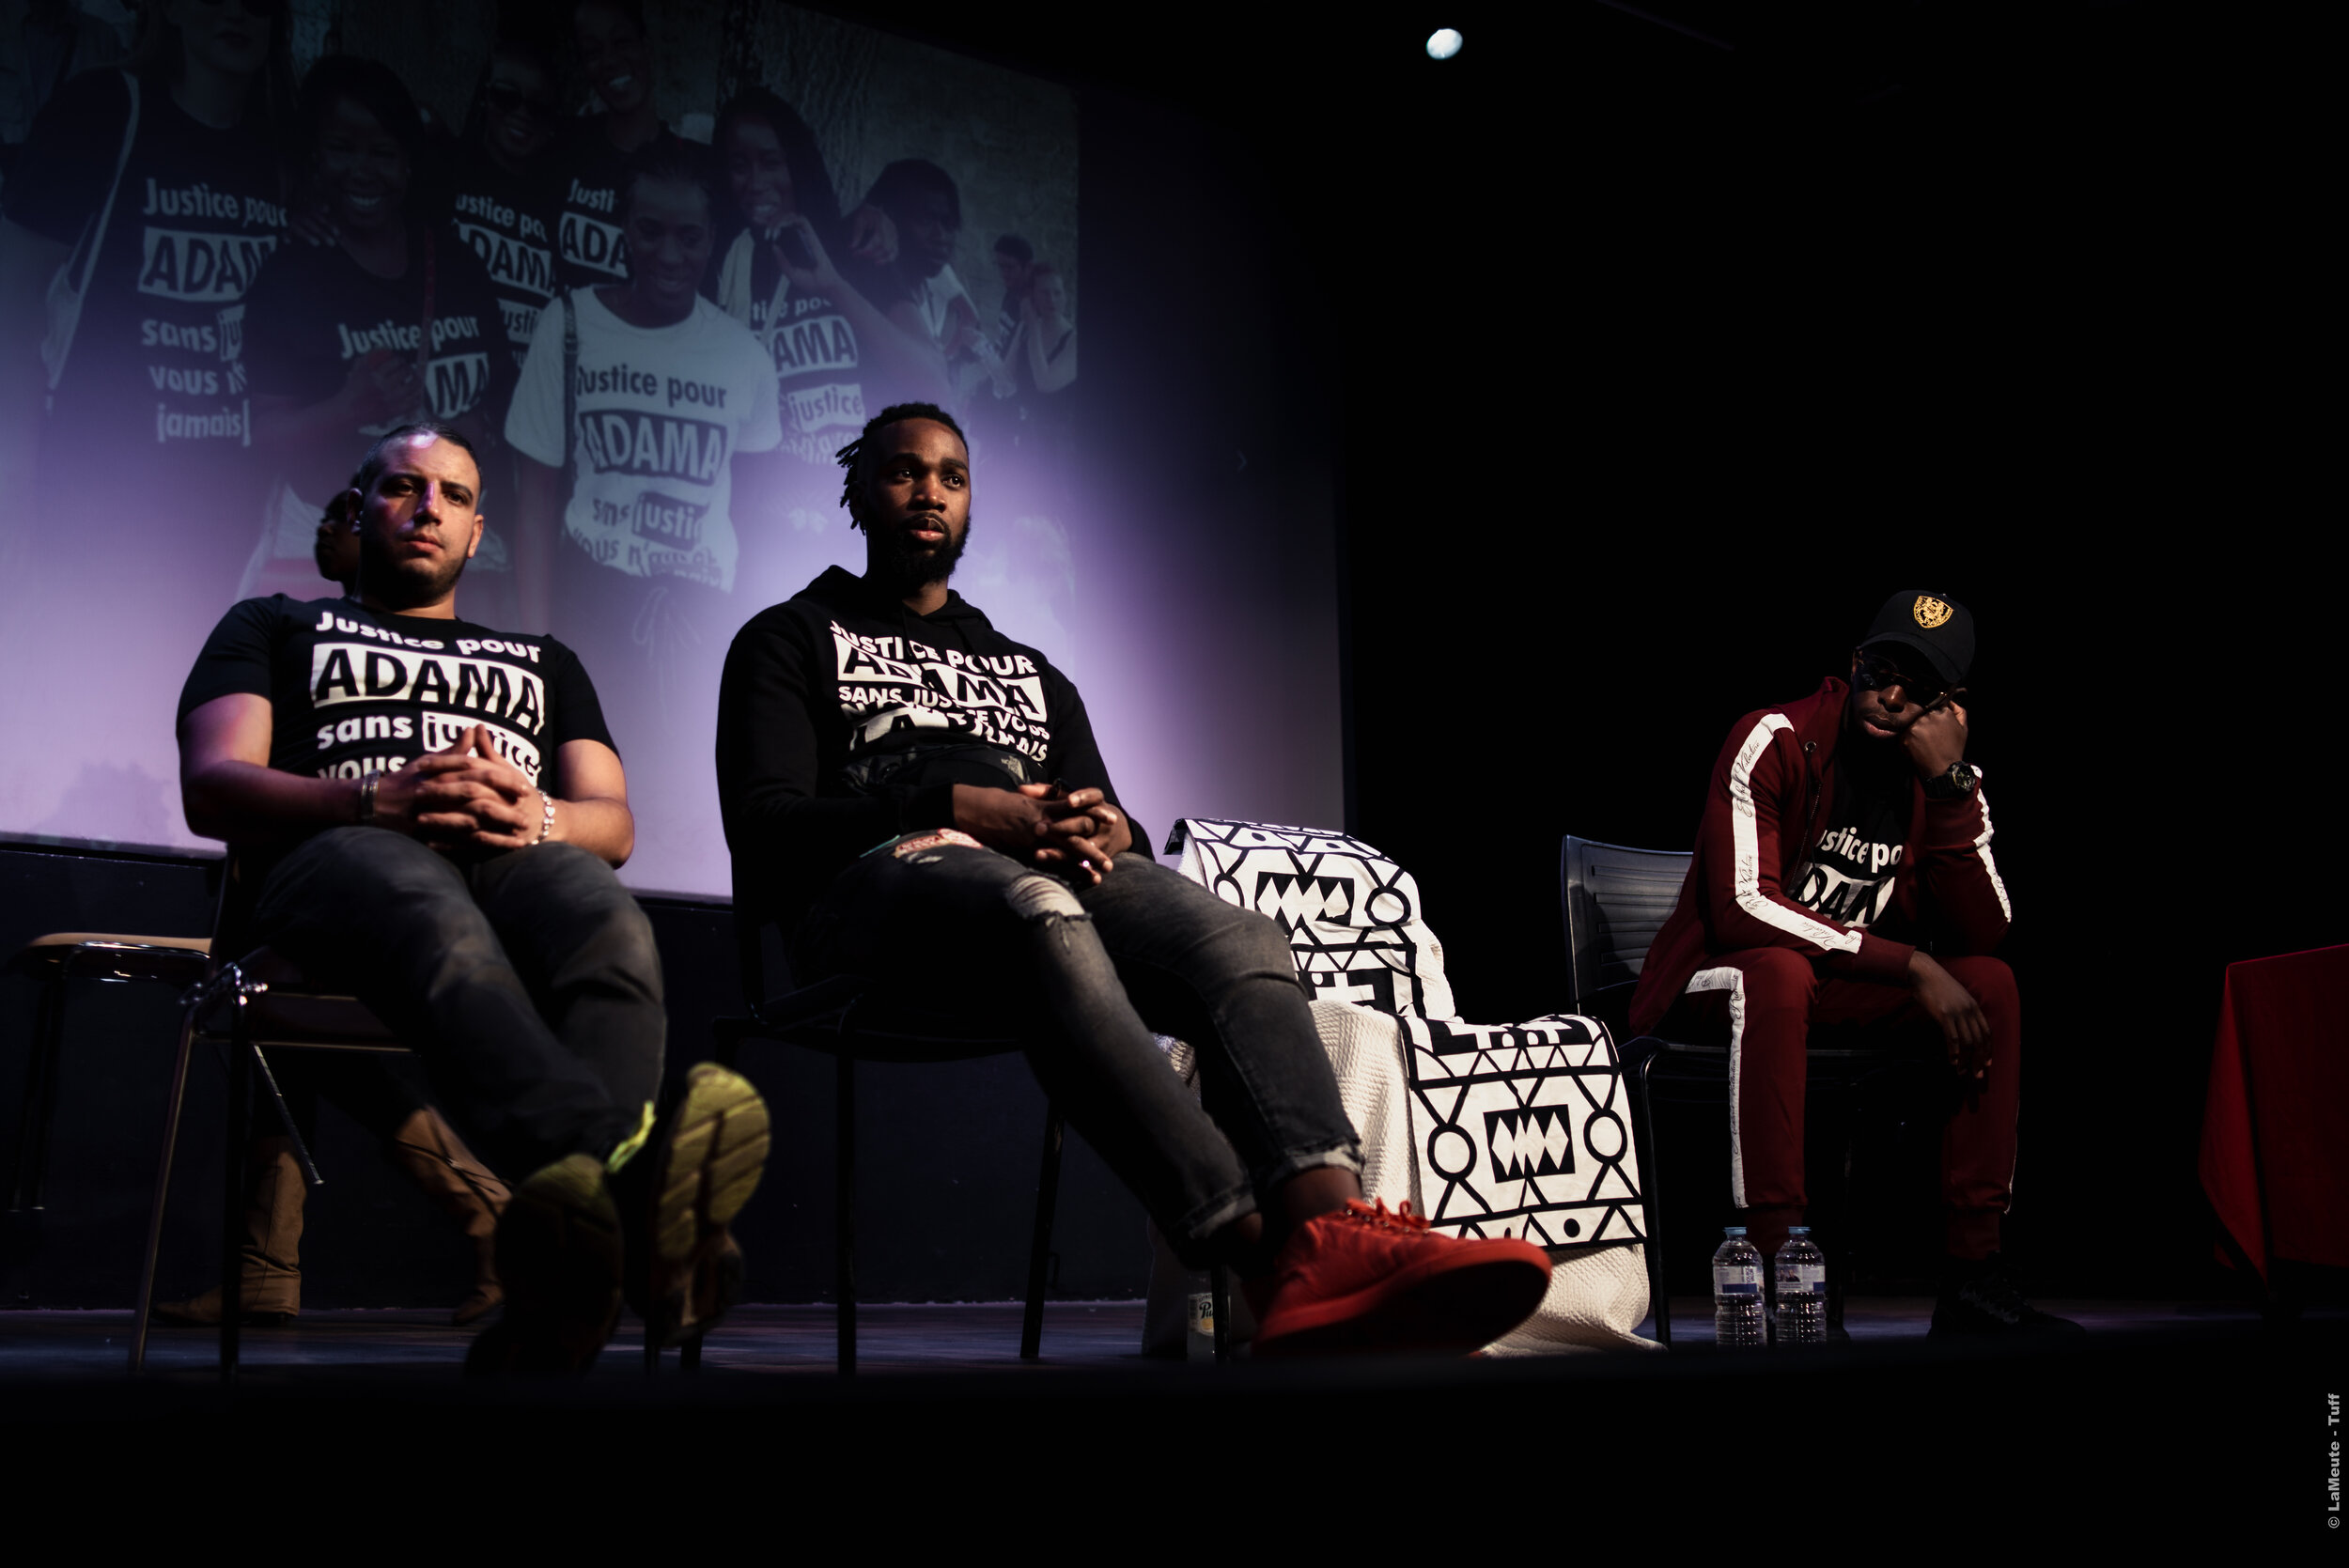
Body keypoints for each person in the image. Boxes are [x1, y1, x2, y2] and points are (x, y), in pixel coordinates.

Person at [715, 402, 1555, 1356]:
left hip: (1031, 886)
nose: (929, 493)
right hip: (875, 895)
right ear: (860, 493)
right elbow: (767, 828)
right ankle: (1252, 1254)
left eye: (951, 477)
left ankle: (1331, 1229)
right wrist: (943, 805)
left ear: (969, 503)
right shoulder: (789, 636)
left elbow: (1120, 833)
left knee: (1239, 937)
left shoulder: (1026, 671)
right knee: (1037, 908)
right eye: (905, 472)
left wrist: (1114, 827)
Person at [176, 420, 770, 1372]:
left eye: (452, 496)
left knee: (611, 928)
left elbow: (611, 824)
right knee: (430, 914)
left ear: (479, 531)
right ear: (358, 508)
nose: (428, 509)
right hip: (345, 855)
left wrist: (540, 817)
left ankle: (568, 1284)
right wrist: (376, 798)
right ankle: (637, 1198)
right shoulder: (275, 624)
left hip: (513, 850)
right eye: (404, 488)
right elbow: (214, 785)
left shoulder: (543, 658)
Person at [1627, 590, 2081, 1336]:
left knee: (1990, 986)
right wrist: (1909, 964)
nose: (1890, 695)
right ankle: (1780, 1270)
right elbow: (1745, 906)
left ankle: (1973, 1271)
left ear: (1948, 707)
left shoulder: (1941, 780)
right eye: (1880, 669)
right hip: (1715, 979)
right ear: (1854, 662)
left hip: (1827, 983)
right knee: (1776, 970)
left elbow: (1986, 929)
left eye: (1916, 686)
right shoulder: (1773, 737)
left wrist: (1949, 789)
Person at [506, 141, 779, 885]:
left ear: (712, 239)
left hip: (702, 626)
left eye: (689, 235)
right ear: (622, 228)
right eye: (650, 229)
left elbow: (753, 521)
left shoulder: (743, 357)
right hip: (593, 608)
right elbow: (533, 499)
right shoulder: (568, 326)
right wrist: (535, 646)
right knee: (588, 822)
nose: (669, 251)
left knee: (688, 824)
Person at [0, 0, 292, 588]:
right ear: (175, 11)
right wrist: (16, 501)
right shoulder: (104, 109)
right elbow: (12, 311)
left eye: (260, 5)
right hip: (95, 503)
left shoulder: (280, 151)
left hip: (227, 519)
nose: (238, 14)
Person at [239, 56, 515, 617]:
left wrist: (474, 430)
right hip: (334, 562)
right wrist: (349, 407)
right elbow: (264, 433)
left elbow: (503, 391)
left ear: (410, 165)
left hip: (444, 557)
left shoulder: (457, 265)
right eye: (342, 148)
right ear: (315, 158)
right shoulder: (290, 275)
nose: (362, 171)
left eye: (383, 153)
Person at [710, 86, 950, 593]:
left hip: (847, 526)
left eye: (771, 162)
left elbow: (932, 378)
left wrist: (834, 286)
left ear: (797, 163)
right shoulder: (721, 263)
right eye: (739, 165)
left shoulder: (853, 246)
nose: (756, 181)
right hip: (753, 531)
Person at [450, 35, 566, 370]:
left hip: (522, 397)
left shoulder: (559, 202)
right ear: (485, 97)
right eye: (506, 97)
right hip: (452, 392)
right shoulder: (443, 176)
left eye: (538, 107)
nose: (522, 114)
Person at [552, 0, 684, 291]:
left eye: (622, 42)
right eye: (593, 52)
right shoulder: (565, 147)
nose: (610, 60)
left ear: (647, 48)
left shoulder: (687, 164)